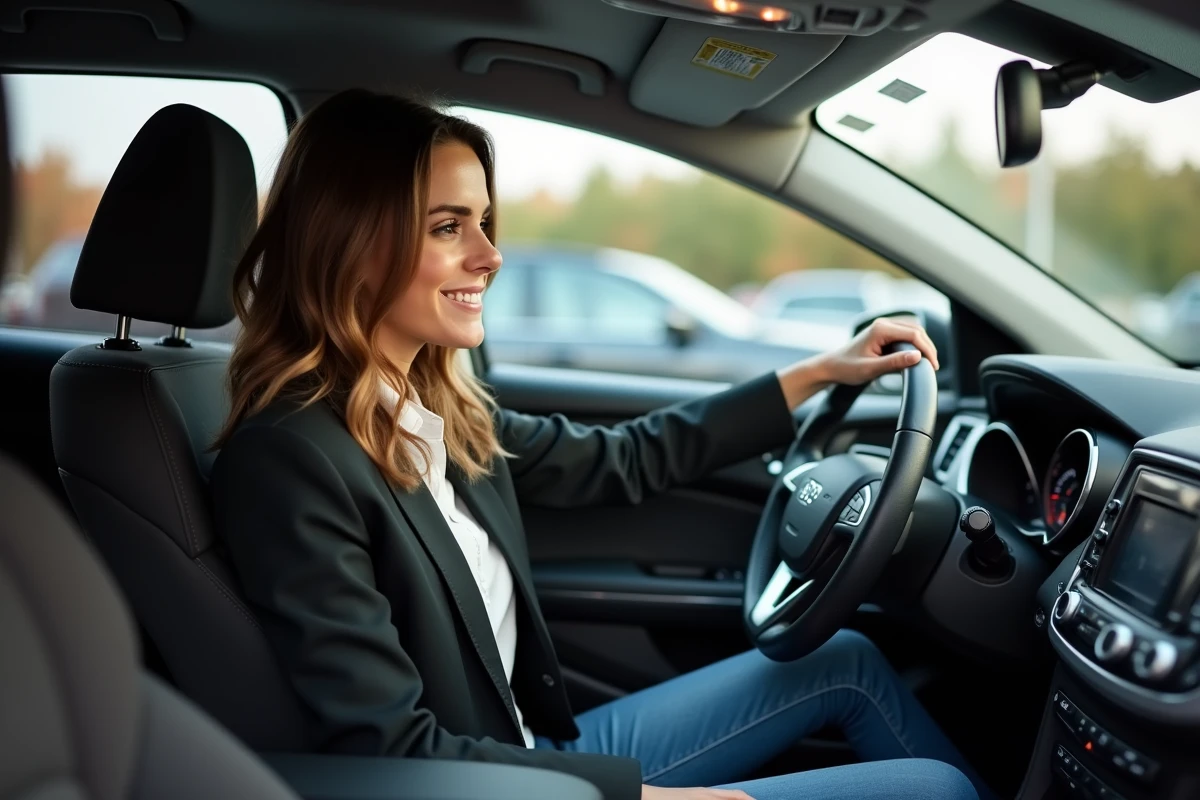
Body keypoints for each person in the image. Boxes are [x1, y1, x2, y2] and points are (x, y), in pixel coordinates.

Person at [210, 89, 990, 800]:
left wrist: (817, 374)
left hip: (537, 752)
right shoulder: (291, 457)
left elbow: (628, 457)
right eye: (449, 227)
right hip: (491, 788)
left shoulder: (431, 411)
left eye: (484, 221)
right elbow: (390, 747)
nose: (490, 254)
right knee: (933, 790)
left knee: (845, 661)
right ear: (350, 242)